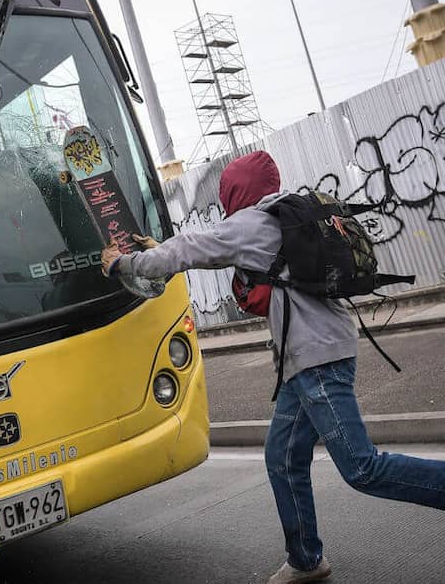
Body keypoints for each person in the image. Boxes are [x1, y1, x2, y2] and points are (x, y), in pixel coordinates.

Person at [101, 151, 445, 584]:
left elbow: (189, 249)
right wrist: (159, 252)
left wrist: (124, 263)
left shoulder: (251, 223)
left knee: (362, 468)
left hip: (317, 359)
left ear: (234, 192)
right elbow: (205, 252)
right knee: (282, 460)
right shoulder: (285, 214)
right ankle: (305, 559)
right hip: (309, 358)